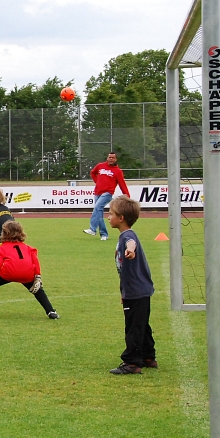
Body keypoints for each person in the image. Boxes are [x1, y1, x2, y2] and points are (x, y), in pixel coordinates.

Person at [108, 196, 157, 375]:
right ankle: (148, 356)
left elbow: (131, 243)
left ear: (121, 218)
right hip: (137, 290)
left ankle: (131, 362)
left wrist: (130, 249)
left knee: (133, 326)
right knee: (141, 324)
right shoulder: (125, 235)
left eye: (111, 213)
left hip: (137, 291)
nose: (108, 216)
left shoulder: (127, 236)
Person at [0, 221, 59, 320]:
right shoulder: (28, 248)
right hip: (27, 274)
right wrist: (38, 277)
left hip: (8, 273)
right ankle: (51, 312)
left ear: (4, 233)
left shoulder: (1, 249)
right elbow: (35, 261)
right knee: (38, 291)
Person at [84, 152, 130, 241]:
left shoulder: (117, 171)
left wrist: (127, 195)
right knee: (99, 214)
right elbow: (93, 172)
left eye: (113, 157)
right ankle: (104, 235)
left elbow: (122, 184)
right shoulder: (100, 166)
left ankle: (92, 229)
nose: (111, 159)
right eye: (110, 157)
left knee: (97, 207)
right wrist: (97, 182)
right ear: (107, 158)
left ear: (116, 159)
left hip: (107, 193)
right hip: (97, 192)